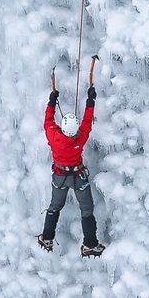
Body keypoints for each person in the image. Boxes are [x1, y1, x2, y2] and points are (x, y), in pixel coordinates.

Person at [39, 67, 103, 257]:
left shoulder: (53, 135)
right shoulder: (80, 137)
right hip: (77, 177)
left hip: (59, 177)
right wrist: (91, 100)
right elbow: (87, 121)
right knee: (86, 209)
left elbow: (47, 120)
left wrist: (52, 101)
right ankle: (90, 243)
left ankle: (47, 237)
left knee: (54, 207)